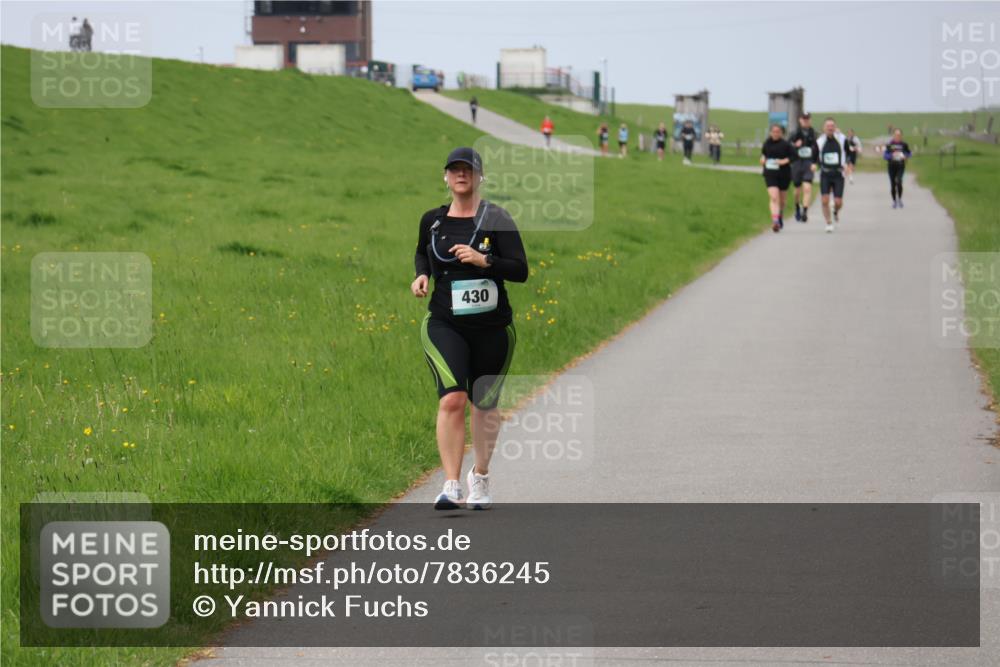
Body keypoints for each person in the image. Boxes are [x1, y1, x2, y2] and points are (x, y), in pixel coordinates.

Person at [411, 147, 528, 510]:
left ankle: (479, 476)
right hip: (445, 323)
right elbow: (421, 251)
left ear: (480, 177)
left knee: (484, 404)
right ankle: (450, 485)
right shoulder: (432, 220)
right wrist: (422, 274)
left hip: (493, 328)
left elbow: (520, 270)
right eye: (455, 169)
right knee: (452, 398)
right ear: (445, 176)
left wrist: (485, 260)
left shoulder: (497, 218)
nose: (461, 175)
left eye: (469, 169)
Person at [760, 124, 794, 233]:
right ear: (770, 132)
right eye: (773, 131)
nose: (775, 133)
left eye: (778, 131)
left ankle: (780, 215)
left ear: (781, 133)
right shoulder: (767, 143)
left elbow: (794, 156)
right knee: (774, 197)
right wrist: (762, 159)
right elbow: (764, 154)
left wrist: (784, 161)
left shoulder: (786, 144)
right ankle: (775, 221)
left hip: (784, 174)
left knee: (782, 201)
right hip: (770, 173)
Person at [816, 117, 848, 233]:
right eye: (827, 126)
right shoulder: (820, 141)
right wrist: (816, 165)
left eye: (832, 126)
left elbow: (849, 152)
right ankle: (828, 223)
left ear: (835, 127)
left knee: (838, 201)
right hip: (825, 173)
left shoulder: (842, 139)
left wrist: (847, 164)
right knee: (825, 200)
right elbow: (815, 155)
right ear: (824, 128)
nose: (830, 128)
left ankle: (835, 211)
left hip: (838, 174)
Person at [789, 112, 818, 222]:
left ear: (810, 120)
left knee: (807, 188)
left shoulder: (814, 134)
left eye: (807, 119)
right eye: (803, 119)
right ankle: (797, 206)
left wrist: (815, 163)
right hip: (796, 163)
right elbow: (787, 145)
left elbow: (818, 150)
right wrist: (794, 145)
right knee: (797, 191)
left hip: (808, 163)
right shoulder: (794, 133)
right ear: (800, 120)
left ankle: (805, 212)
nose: (806, 121)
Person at [883, 128, 912, 208]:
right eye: (896, 135)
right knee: (893, 185)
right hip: (891, 166)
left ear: (901, 136)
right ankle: (894, 201)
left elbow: (909, 153)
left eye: (899, 135)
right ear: (893, 135)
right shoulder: (890, 144)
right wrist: (891, 155)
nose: (897, 136)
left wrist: (905, 156)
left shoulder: (904, 144)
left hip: (900, 165)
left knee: (899, 182)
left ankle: (899, 199)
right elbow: (885, 155)